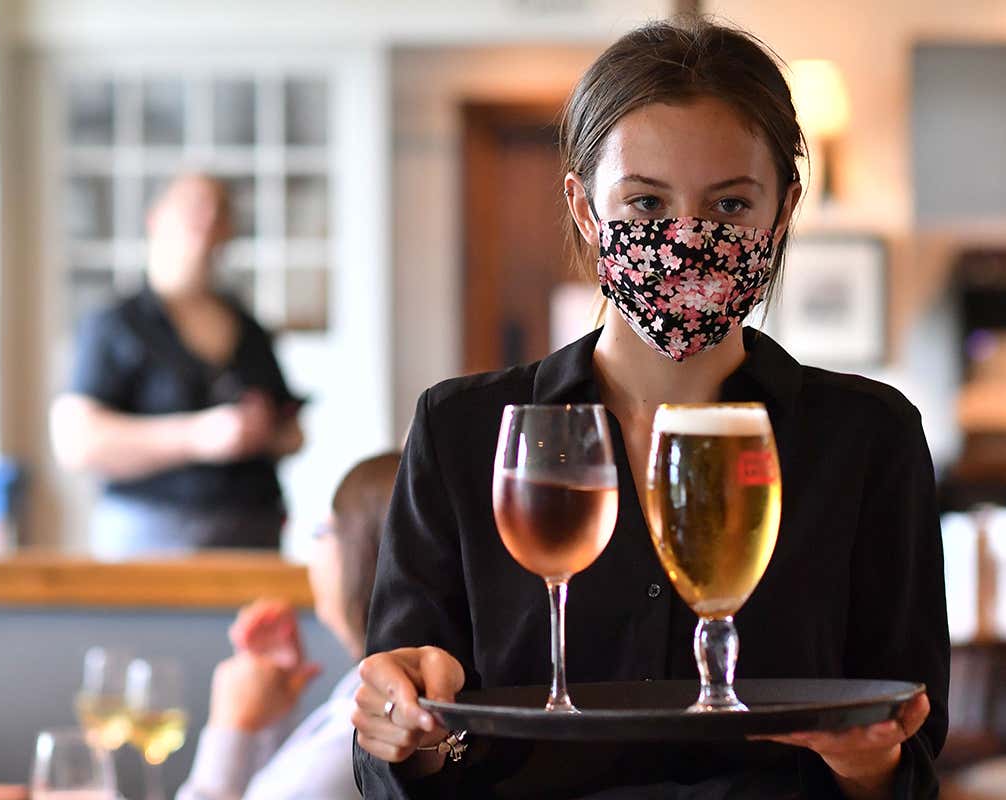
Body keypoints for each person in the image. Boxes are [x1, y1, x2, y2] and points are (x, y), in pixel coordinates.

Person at [353, 17, 948, 800]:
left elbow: (914, 761)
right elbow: (393, 761)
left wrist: (871, 762)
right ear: (584, 208)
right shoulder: (464, 434)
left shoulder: (868, 439)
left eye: (730, 205)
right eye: (644, 203)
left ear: (784, 209)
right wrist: (402, 729)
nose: (686, 237)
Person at [50, 174, 304, 558]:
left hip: (253, 532)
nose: (206, 217)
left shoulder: (249, 329)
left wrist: (263, 432)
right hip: (151, 535)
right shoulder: (116, 324)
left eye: (219, 210)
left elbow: (291, 432)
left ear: (228, 231)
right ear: (156, 218)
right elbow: (76, 442)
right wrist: (196, 437)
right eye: (193, 205)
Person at [176, 451, 402, 800]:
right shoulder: (367, 698)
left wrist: (230, 728)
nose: (314, 548)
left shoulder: (366, 733)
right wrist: (264, 723)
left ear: (367, 554)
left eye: (323, 530)